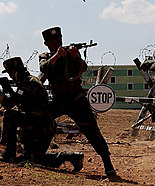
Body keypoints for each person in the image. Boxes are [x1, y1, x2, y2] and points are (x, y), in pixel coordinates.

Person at [39, 27, 116, 177]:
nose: (58, 43)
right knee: (40, 119)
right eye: (54, 41)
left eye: (59, 40)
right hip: (58, 101)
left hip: (76, 101)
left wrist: (74, 57)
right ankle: (36, 154)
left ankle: (108, 163)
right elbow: (43, 67)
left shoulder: (71, 54)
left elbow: (82, 68)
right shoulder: (45, 56)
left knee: (92, 131)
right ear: (47, 44)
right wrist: (56, 56)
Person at [1, 57, 84, 171]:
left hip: (39, 125)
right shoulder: (27, 82)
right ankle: (71, 157)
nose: (10, 76)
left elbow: (11, 103)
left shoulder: (29, 83)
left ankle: (9, 153)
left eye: (11, 72)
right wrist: (8, 90)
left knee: (10, 115)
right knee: (31, 159)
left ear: (17, 71)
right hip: (39, 124)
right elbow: (16, 101)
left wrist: (5, 92)